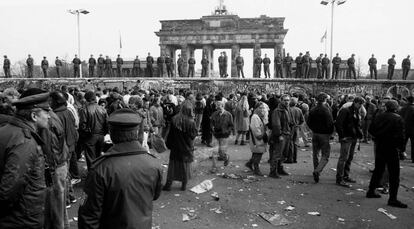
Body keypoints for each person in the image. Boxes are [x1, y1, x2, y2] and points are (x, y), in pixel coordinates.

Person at [78, 108, 163, 229]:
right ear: (136, 132)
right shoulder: (154, 164)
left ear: (111, 134)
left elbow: (88, 215)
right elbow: (154, 195)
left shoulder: (100, 169)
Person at [0, 89, 50, 228]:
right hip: (21, 219)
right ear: (34, 116)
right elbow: (9, 189)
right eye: (46, 112)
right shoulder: (25, 142)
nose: (49, 116)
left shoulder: (6, 130)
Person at [366, 100, 407, 208]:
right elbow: (401, 136)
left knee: (378, 170)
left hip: (380, 146)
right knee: (394, 174)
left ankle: (371, 191)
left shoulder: (379, 116)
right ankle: (392, 198)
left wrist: (378, 137)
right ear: (396, 108)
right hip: (392, 148)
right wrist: (402, 150)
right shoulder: (398, 118)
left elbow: (371, 130)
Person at [39, 91, 70, 229]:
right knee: (59, 208)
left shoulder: (47, 120)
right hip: (60, 164)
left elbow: (50, 148)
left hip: (55, 167)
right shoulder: (53, 115)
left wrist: (49, 172)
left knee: (55, 210)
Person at [164, 100, 198, 191]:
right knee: (185, 167)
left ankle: (168, 185)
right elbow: (193, 135)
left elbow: (170, 134)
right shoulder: (191, 122)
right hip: (187, 148)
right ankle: (184, 185)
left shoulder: (174, 119)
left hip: (175, 147)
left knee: (172, 166)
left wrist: (169, 144)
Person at [335, 97, 364, 187]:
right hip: (347, 137)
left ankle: (345, 175)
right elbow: (338, 124)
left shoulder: (355, 111)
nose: (361, 106)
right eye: (360, 104)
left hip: (353, 137)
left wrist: (360, 134)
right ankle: (339, 178)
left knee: (349, 157)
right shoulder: (345, 111)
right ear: (355, 102)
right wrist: (342, 136)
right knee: (343, 158)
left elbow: (356, 125)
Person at [307, 93, 334, 183]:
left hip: (315, 133)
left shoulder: (313, 109)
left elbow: (309, 122)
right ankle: (317, 171)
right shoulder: (326, 110)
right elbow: (330, 123)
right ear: (325, 100)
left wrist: (313, 129)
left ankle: (316, 170)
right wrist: (330, 133)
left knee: (315, 154)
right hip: (324, 134)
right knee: (325, 155)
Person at [78, 91, 108, 169]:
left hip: (90, 136)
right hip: (100, 136)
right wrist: (103, 133)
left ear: (87, 99)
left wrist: (85, 136)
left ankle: (92, 176)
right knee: (99, 157)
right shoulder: (102, 109)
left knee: (91, 158)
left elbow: (82, 125)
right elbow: (107, 123)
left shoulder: (84, 110)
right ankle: (98, 174)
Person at [269, 94, 292, 178]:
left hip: (287, 134)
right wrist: (279, 134)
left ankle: (280, 168)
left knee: (283, 154)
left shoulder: (287, 109)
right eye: (285, 100)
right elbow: (276, 124)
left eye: (288, 100)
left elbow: (289, 122)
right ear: (281, 100)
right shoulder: (277, 111)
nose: (287, 102)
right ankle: (273, 171)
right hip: (281, 135)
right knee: (277, 154)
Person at [245, 102, 268, 176]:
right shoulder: (255, 117)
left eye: (262, 108)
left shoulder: (258, 116)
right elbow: (255, 128)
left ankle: (250, 163)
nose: (262, 109)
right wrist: (260, 135)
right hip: (257, 138)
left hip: (259, 137)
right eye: (260, 108)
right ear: (256, 108)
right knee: (258, 153)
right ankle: (256, 169)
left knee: (256, 153)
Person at [210, 101, 233, 172]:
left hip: (224, 136)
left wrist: (227, 131)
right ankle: (214, 167)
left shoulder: (228, 114)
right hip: (216, 135)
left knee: (222, 152)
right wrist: (212, 128)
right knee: (214, 151)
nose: (217, 107)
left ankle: (226, 158)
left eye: (219, 106)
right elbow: (211, 123)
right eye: (217, 106)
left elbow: (231, 125)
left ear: (223, 106)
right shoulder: (214, 114)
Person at [286, 97, 304, 163]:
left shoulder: (288, 110)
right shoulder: (299, 110)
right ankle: (295, 158)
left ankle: (290, 158)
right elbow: (302, 120)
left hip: (290, 128)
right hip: (296, 128)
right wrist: (298, 125)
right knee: (295, 143)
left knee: (290, 143)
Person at [399, 96, 414, 163]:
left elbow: (399, 118)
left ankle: (401, 156)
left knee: (403, 143)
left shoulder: (403, 108)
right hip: (413, 129)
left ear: (407, 101)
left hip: (404, 128)